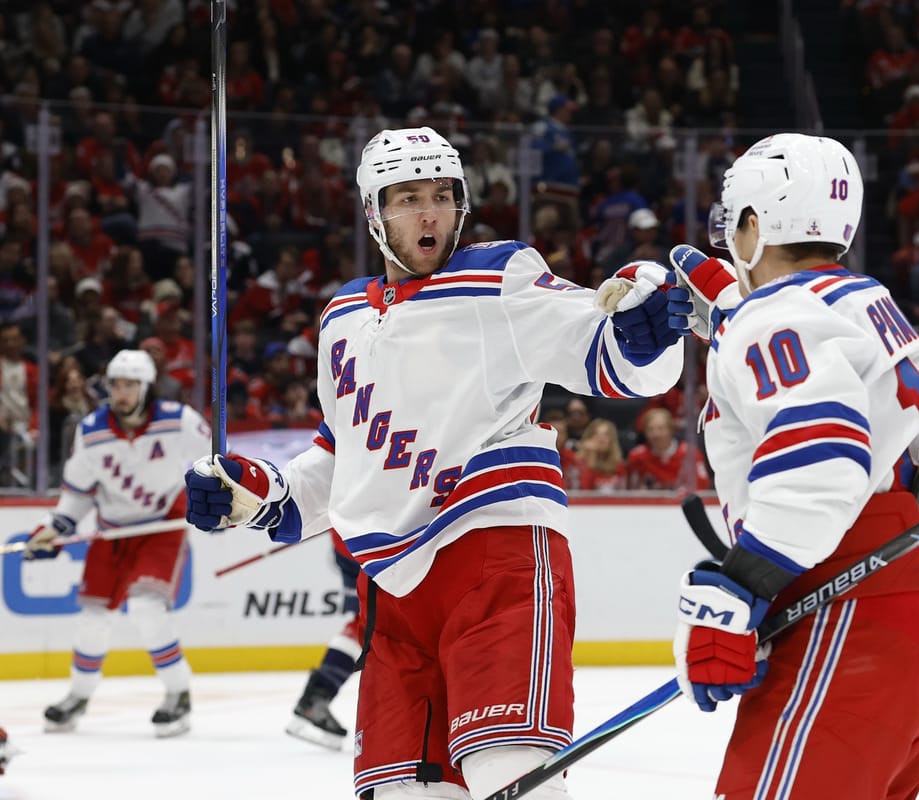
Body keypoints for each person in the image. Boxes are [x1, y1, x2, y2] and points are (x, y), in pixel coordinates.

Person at [184, 126, 685, 799]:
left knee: (512, 782)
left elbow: (607, 353)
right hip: (392, 595)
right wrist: (264, 496)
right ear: (373, 212)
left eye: (443, 196)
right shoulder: (339, 319)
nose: (429, 214)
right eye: (408, 198)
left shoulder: (497, 279)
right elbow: (342, 460)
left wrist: (643, 333)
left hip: (495, 560)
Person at [666, 133, 919, 799]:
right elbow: (813, 360)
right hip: (917, 617)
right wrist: (726, 313)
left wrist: (742, 585)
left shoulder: (772, 317)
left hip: (844, 618)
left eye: (733, 223)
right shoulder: (860, 299)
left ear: (753, 223)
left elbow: (820, 457)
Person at [24, 349, 210, 737]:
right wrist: (52, 528)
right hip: (112, 530)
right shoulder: (91, 430)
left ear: (146, 388)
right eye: (116, 384)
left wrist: (222, 502)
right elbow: (76, 496)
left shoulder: (179, 422)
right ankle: (78, 695)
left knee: (146, 607)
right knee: (93, 619)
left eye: (130, 385)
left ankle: (179, 693)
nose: (121, 393)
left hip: (161, 526)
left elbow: (213, 465)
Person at [286, 535, 364, 750]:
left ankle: (317, 697)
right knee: (378, 620)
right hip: (378, 538)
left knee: (365, 620)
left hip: (349, 538)